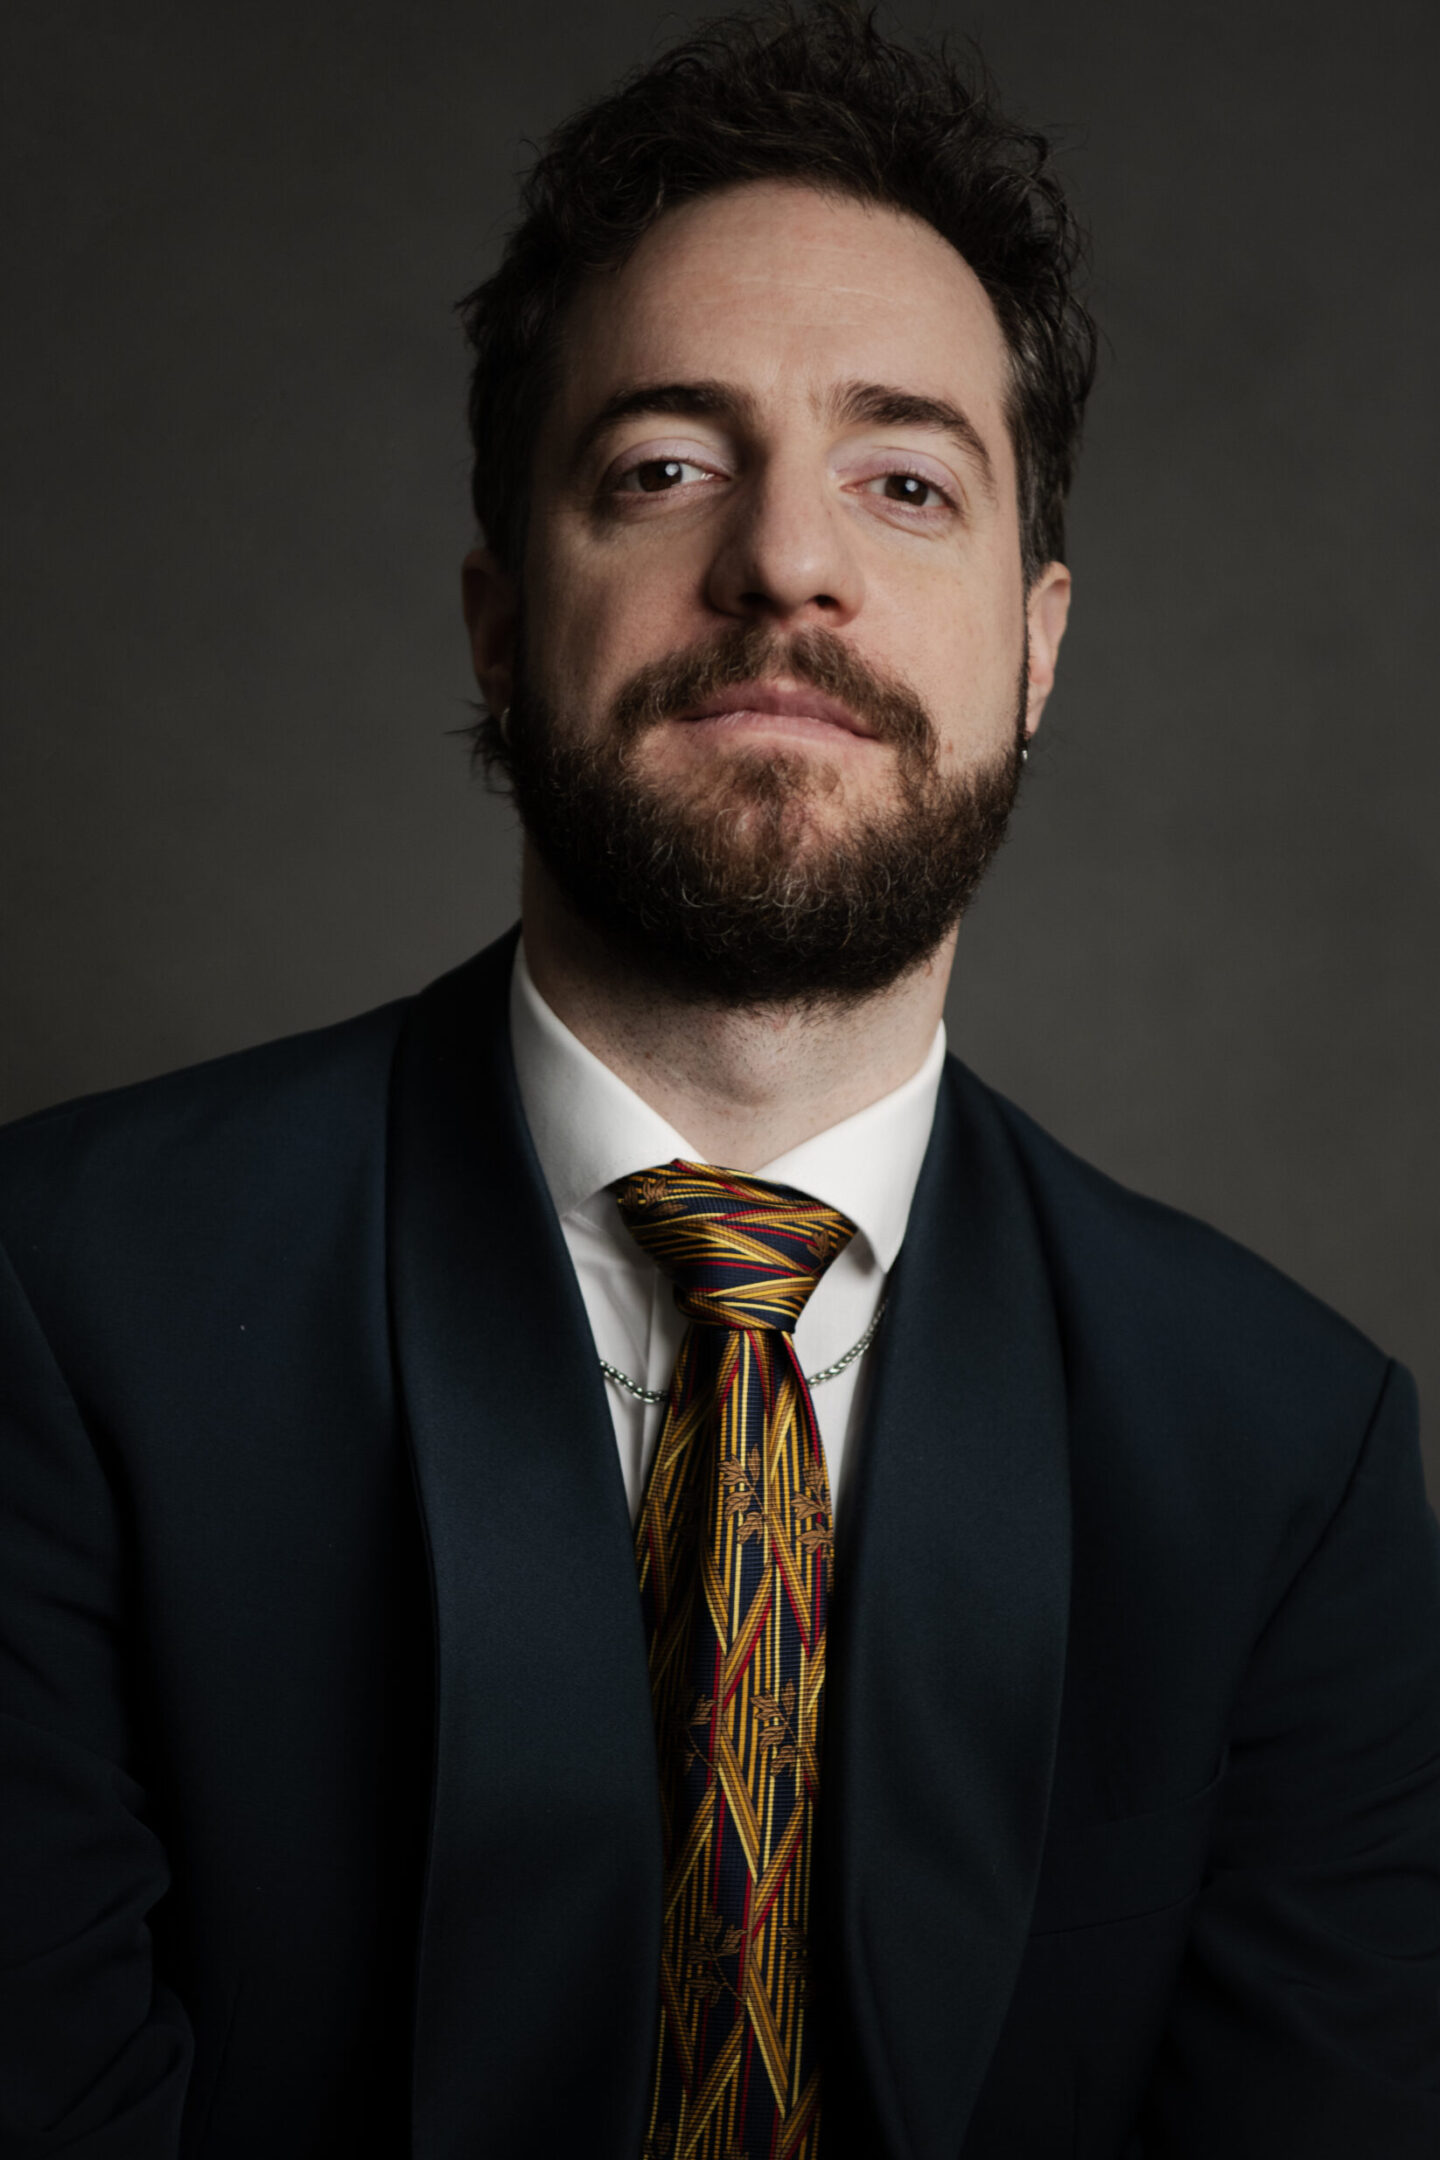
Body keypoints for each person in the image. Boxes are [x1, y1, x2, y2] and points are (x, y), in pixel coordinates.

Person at [2, 6, 1438, 2155]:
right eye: (666, 466)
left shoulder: (1292, 1467)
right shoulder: (53, 1308)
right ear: (502, 623)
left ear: (1038, 648)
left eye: (907, 482)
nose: (786, 560)